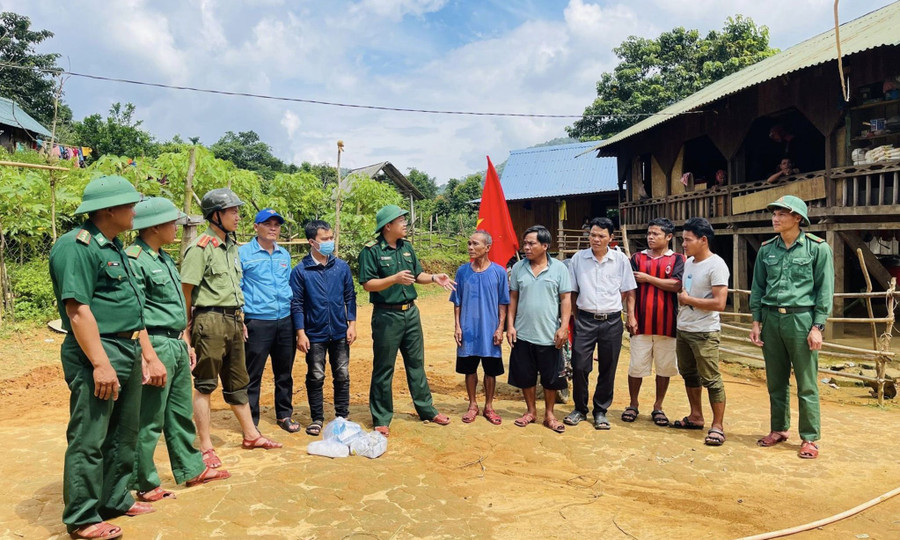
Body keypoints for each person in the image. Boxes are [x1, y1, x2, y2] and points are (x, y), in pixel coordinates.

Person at [49, 175, 158, 539]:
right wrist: (99, 363)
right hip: (99, 350)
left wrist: (142, 353)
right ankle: (81, 516)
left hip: (126, 348)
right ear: (108, 209)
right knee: (90, 436)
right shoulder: (77, 246)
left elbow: (130, 308)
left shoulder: (113, 247)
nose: (134, 211)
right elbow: (78, 310)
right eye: (129, 204)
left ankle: (115, 499)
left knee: (123, 434)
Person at [127, 197, 230, 504]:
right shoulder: (135, 259)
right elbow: (135, 313)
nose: (176, 227)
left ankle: (191, 468)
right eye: (172, 223)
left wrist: (184, 339)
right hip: (155, 344)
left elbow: (173, 305)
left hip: (173, 341)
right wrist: (148, 355)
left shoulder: (162, 258)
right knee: (149, 418)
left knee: (179, 412)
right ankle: (144, 482)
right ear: (155, 226)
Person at [181, 188, 282, 469]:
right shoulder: (201, 247)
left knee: (239, 380)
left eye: (238, 211)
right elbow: (185, 290)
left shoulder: (231, 247)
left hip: (234, 320)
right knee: (205, 383)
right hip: (209, 319)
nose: (238, 216)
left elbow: (235, 288)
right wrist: (186, 329)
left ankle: (251, 434)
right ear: (216, 215)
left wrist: (239, 319)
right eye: (232, 211)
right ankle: (205, 446)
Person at [358, 205, 455, 437]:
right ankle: (381, 417)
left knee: (416, 364)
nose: (405, 223)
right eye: (400, 220)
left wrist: (433, 278)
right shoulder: (370, 251)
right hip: (386, 316)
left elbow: (416, 276)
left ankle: (426, 409)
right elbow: (367, 284)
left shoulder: (407, 248)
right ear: (387, 226)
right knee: (384, 367)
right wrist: (393, 279)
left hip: (411, 313)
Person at [750, 196, 834, 459]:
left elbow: (824, 291)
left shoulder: (817, 249)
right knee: (775, 380)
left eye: (782, 214)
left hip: (802, 320)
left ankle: (809, 438)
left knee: (807, 382)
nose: (775, 218)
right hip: (771, 319)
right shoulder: (766, 250)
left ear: (798, 218)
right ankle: (779, 429)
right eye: (774, 214)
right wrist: (756, 321)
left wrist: (817, 326)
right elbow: (758, 287)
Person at [563, 217, 637, 430]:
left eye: (601, 236)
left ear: (611, 238)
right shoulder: (578, 259)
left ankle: (600, 410)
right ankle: (579, 408)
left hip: (612, 321)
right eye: (593, 235)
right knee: (579, 366)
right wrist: (576, 317)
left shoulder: (620, 260)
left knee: (608, 366)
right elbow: (572, 291)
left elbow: (629, 290)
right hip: (584, 320)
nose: (595, 239)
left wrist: (630, 316)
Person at [290, 219, 357, 436]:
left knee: (342, 374)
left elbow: (350, 296)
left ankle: (342, 416)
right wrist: (300, 333)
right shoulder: (301, 271)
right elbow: (297, 303)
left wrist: (352, 324)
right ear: (312, 242)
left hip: (339, 331)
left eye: (331, 238)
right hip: (314, 334)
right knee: (316, 375)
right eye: (324, 239)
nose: (330, 242)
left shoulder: (341, 267)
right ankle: (317, 418)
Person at [507, 225, 572, 433]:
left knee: (551, 378)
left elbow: (566, 299)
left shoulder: (560, 268)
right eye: (525, 243)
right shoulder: (518, 268)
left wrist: (564, 327)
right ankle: (530, 411)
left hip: (549, 335)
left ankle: (550, 415)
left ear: (545, 246)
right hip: (523, 332)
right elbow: (513, 298)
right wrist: (510, 325)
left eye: (531, 243)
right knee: (525, 375)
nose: (526, 247)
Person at [238, 208, 298, 433]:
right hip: (257, 321)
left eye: (277, 224)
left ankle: (284, 414)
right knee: (253, 373)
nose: (273, 228)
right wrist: (241, 319)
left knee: (284, 372)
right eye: (268, 224)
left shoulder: (284, 254)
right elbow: (238, 287)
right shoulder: (244, 254)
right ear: (256, 227)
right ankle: (250, 420)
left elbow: (288, 285)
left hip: (284, 320)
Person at [671, 217, 730, 447]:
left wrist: (687, 300)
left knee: (711, 379)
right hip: (684, 328)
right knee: (689, 374)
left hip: (705, 331)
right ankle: (696, 415)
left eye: (688, 239)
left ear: (703, 240)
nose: (683, 244)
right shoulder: (689, 262)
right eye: (683, 239)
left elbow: (719, 303)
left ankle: (718, 425)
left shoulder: (717, 265)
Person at [624, 218, 684, 427]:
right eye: (649, 233)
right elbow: (630, 288)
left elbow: (676, 285)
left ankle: (658, 406)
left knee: (664, 368)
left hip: (668, 324)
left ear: (668, 237)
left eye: (655, 234)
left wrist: (648, 278)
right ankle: (633, 404)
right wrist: (630, 315)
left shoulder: (677, 259)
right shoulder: (637, 258)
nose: (650, 237)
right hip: (640, 322)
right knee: (636, 366)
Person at [450, 230, 509, 425]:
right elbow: (457, 302)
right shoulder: (462, 271)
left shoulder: (499, 272)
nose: (470, 247)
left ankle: (489, 406)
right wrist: (457, 326)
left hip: (489, 329)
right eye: (469, 243)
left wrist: (500, 327)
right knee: (469, 368)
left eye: (475, 244)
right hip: (468, 329)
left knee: (490, 370)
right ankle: (473, 404)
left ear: (487, 248)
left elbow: (503, 302)